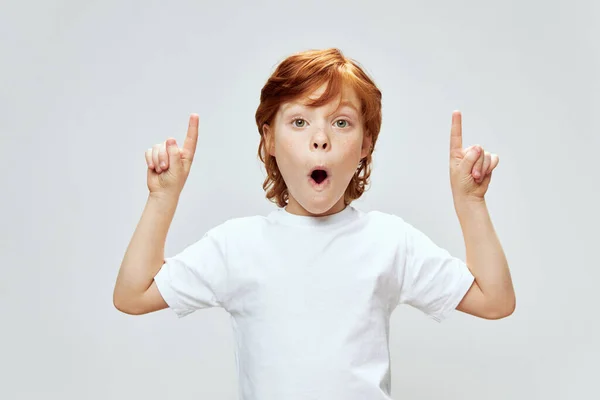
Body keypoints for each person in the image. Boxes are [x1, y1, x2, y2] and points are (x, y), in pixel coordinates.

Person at [113, 48, 515, 399]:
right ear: (269, 140)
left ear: (365, 144)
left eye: (341, 123)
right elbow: (133, 294)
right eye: (300, 122)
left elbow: (494, 300)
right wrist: (162, 197)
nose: (320, 139)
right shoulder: (236, 245)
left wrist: (470, 201)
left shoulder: (390, 241)